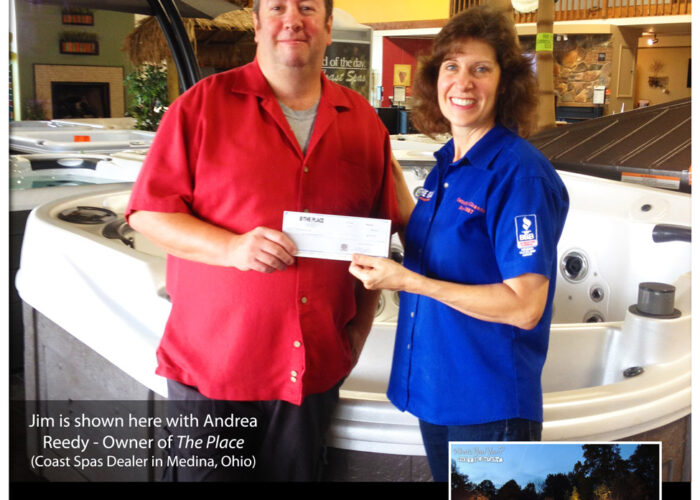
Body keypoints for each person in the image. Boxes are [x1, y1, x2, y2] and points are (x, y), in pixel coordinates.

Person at [126, 0, 399, 481]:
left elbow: (376, 237)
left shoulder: (362, 120)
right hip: (215, 367)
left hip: (311, 372)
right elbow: (149, 213)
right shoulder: (201, 106)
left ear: (328, 27)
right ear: (256, 25)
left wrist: (356, 336)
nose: (292, 19)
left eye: (307, 8)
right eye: (277, 7)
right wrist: (232, 248)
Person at [349, 5, 569, 482]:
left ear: (505, 84)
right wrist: (379, 157)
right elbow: (427, 237)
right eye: (451, 66)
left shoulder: (519, 174)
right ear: (435, 79)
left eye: (480, 69)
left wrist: (408, 282)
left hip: (489, 404)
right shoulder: (450, 163)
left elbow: (524, 307)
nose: (463, 82)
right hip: (439, 389)